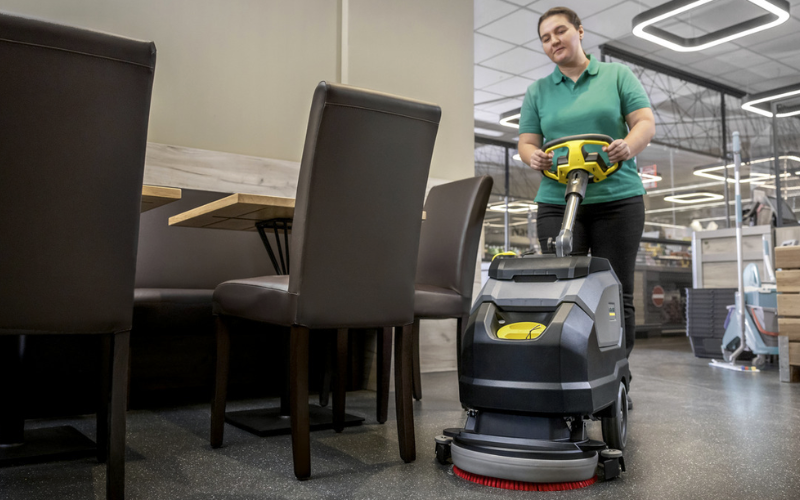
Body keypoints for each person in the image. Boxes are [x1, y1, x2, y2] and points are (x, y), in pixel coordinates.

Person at [518, 7, 655, 372]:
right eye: (545, 38)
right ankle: (568, 371)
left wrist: (628, 145)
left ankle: (614, 374)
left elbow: (644, 121)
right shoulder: (538, 91)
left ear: (579, 31)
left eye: (560, 31)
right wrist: (533, 158)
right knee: (562, 288)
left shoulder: (616, 75)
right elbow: (527, 142)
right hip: (558, 202)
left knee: (615, 291)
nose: (553, 41)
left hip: (617, 200)